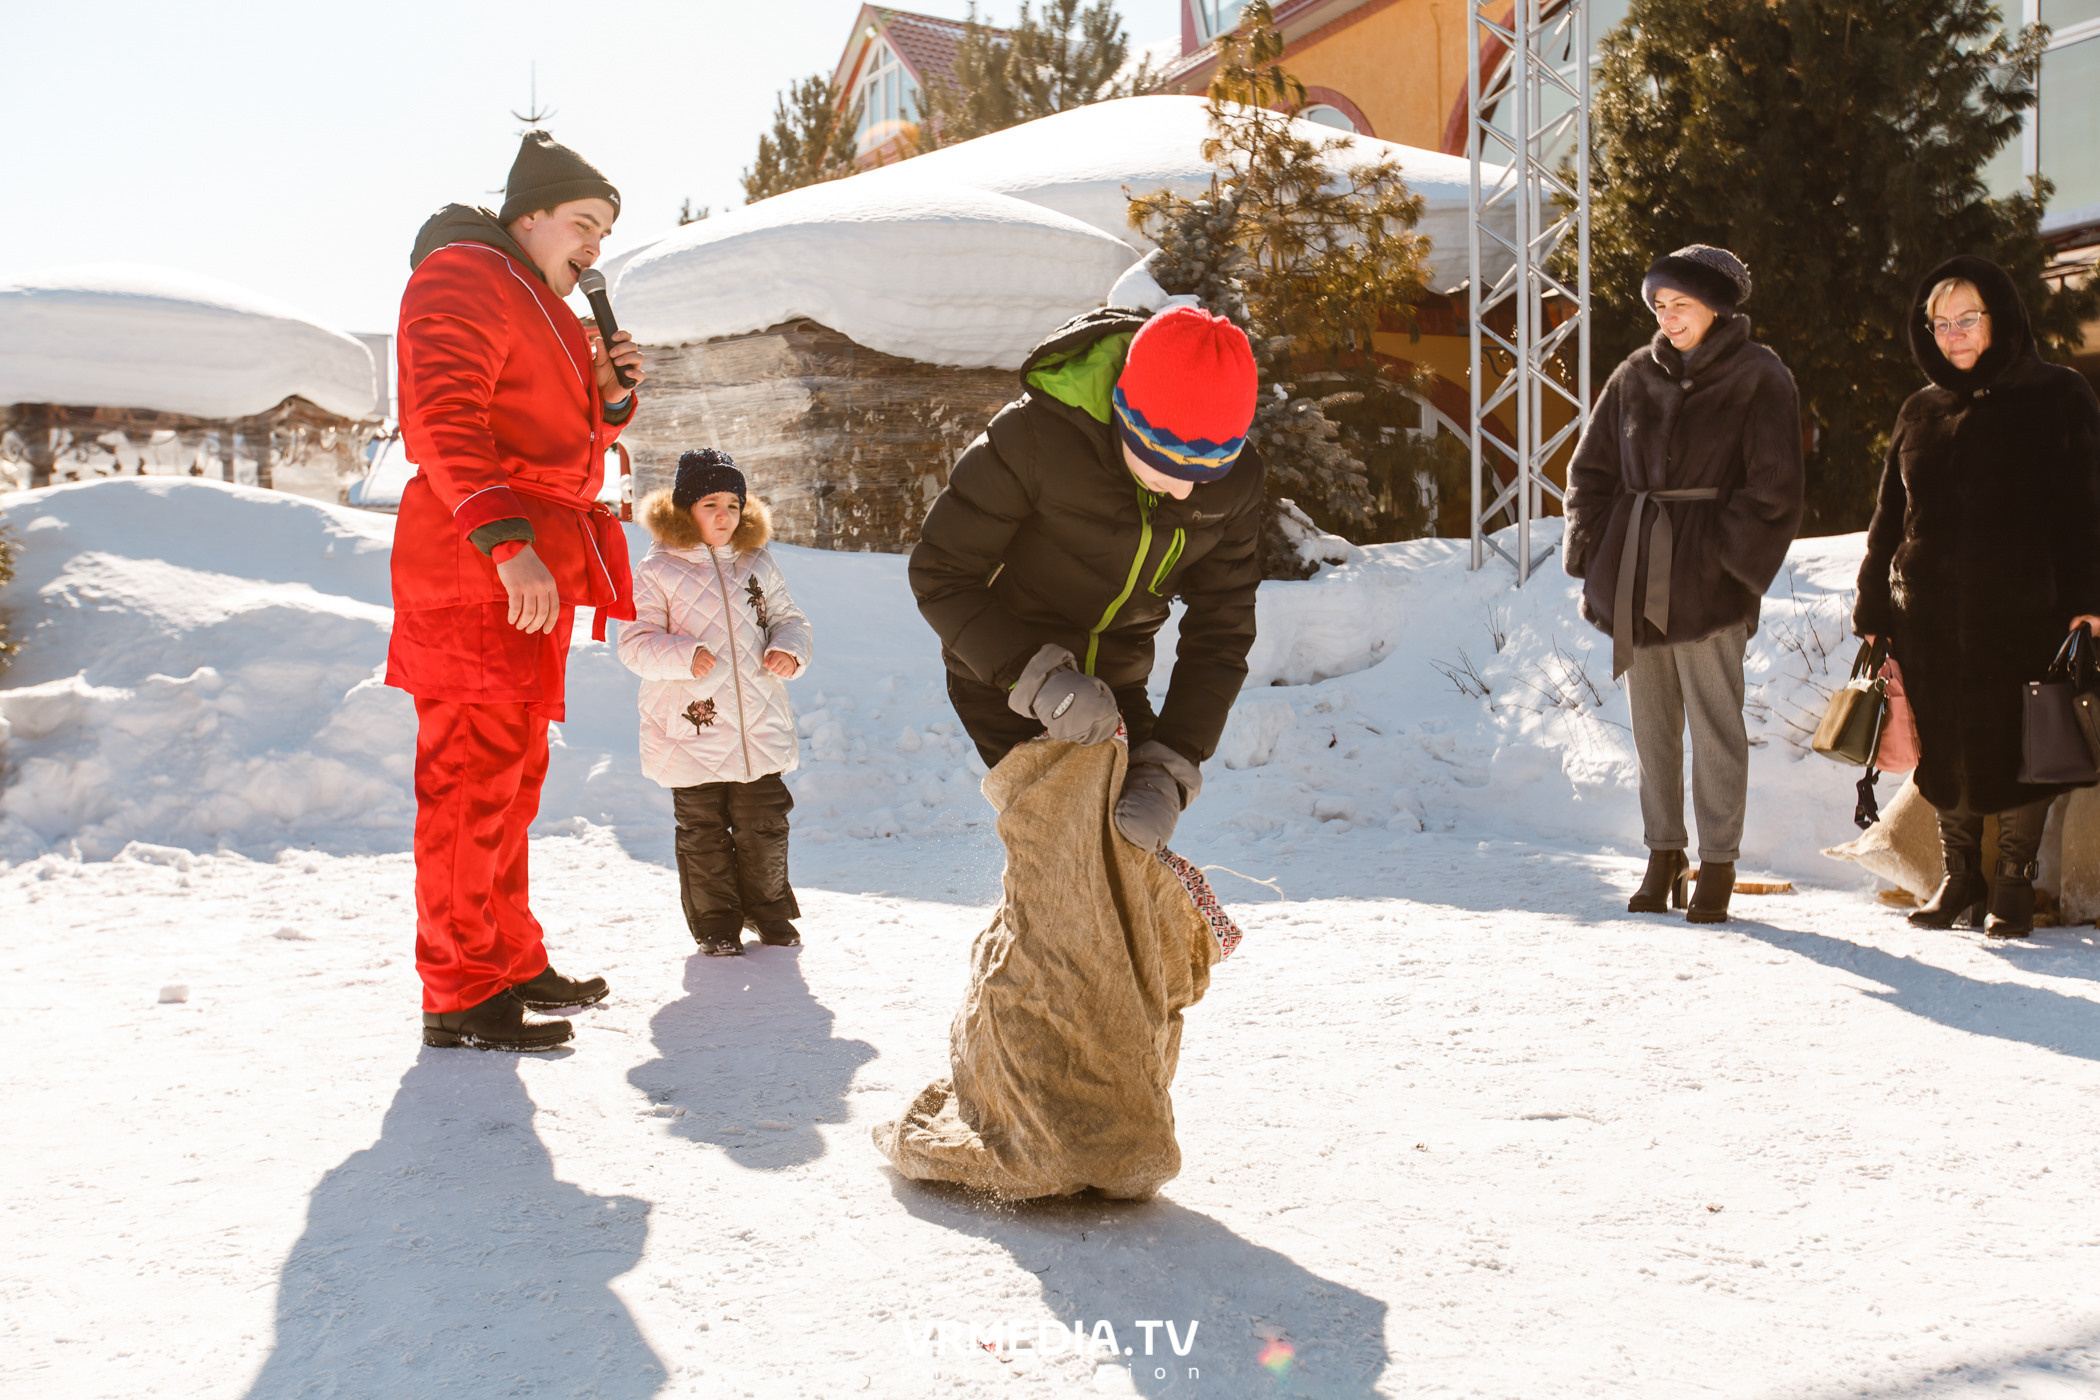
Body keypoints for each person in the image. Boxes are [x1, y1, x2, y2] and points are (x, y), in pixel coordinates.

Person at [388, 131, 646, 1052]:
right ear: (526, 215)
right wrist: (505, 543)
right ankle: (458, 992)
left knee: (510, 779)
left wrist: (610, 399)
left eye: (606, 231)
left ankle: (505, 953)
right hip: (479, 570)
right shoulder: (465, 273)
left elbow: (555, 437)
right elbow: (442, 415)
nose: (595, 246)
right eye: (584, 223)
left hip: (527, 573)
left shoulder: (540, 303)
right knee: (467, 783)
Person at [909, 303, 1263, 851]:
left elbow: (1224, 628)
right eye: (1165, 465)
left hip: (1119, 685)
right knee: (1064, 848)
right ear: (1125, 414)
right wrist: (1040, 679)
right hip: (1004, 677)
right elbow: (941, 574)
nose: (1184, 491)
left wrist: (1171, 762)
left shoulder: (1236, 485)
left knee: (1130, 849)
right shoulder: (1032, 438)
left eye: (1206, 472)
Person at [1855, 255, 2100, 938]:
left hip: (2026, 610)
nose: (1952, 333)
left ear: (2001, 317)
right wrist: (1875, 609)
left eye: (1967, 318)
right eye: (1939, 323)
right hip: (1926, 615)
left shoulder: (2059, 395)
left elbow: (2088, 506)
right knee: (1944, 747)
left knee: (2028, 743)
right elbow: (1886, 523)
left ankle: (2014, 885)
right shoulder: (1919, 410)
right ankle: (1960, 877)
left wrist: (2087, 597)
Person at [1564, 244, 1804, 924]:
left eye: (1683, 306)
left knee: (1715, 723)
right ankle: (1663, 853)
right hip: (1638, 568)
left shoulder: (1761, 376)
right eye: (1660, 306)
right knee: (1652, 725)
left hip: (1709, 579)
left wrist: (1729, 562)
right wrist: (1593, 551)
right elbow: (1592, 470)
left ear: (1718, 307)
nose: (1669, 319)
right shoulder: (1634, 374)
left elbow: (1775, 489)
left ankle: (1718, 864)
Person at [616, 451, 813, 958]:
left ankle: (769, 911)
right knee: (703, 830)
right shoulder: (658, 570)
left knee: (765, 822)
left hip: (757, 725)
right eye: (710, 503)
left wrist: (789, 649)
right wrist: (685, 654)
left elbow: (791, 619)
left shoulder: (757, 563)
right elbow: (634, 643)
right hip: (690, 731)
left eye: (733, 503)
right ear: (685, 510)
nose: (724, 515)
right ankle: (716, 921)